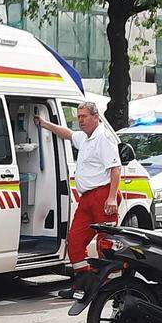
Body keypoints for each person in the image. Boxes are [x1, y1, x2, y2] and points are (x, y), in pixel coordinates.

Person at [36, 101, 121, 299]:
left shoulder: (104, 138)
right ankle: (85, 282)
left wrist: (111, 198)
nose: (80, 120)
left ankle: (115, 288)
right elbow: (67, 133)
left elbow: (115, 169)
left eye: (83, 116)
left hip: (102, 195)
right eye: (79, 116)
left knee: (105, 244)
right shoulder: (85, 137)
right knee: (74, 241)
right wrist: (45, 124)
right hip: (87, 198)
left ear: (95, 116)